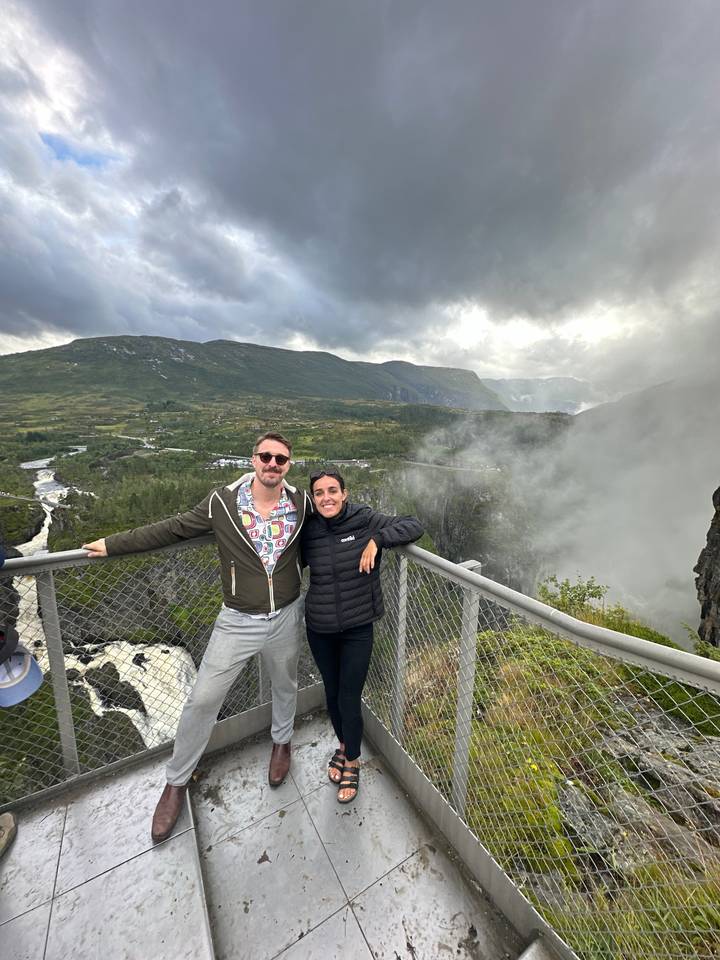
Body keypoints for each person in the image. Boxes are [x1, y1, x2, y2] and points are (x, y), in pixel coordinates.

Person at [83, 432, 310, 842]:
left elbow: (339, 520)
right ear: (253, 459)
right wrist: (113, 544)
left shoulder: (301, 503)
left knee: (285, 684)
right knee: (203, 698)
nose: (272, 464)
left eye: (281, 459)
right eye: (266, 456)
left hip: (286, 615)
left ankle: (282, 743)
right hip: (237, 620)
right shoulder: (221, 502)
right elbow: (173, 529)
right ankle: (176, 781)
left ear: (288, 465)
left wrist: (378, 536)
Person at [301, 468, 423, 803]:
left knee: (349, 695)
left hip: (357, 627)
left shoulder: (365, 520)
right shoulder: (308, 528)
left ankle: (352, 760)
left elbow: (413, 524)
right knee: (332, 691)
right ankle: (343, 746)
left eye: (333, 491)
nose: (326, 498)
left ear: (345, 493)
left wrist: (377, 539)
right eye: (319, 492)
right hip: (320, 627)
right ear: (313, 498)